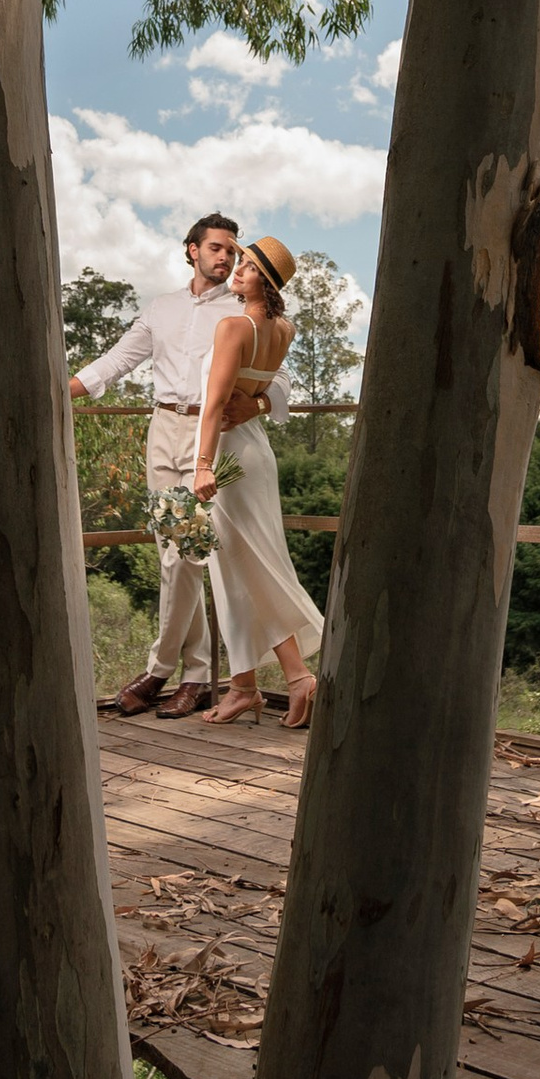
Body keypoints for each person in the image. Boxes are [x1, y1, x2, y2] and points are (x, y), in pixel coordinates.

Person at [69, 212, 288, 717]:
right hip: (162, 433)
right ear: (192, 249)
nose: (226, 257)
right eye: (216, 248)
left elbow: (280, 380)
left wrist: (254, 405)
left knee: (184, 555)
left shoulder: (243, 311)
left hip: (208, 438)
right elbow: (116, 361)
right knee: (174, 550)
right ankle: (196, 675)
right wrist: (61, 389)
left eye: (233, 251)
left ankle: (161, 671)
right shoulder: (162, 309)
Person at [191, 236, 323, 732]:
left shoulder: (233, 326)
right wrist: (261, 404)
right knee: (238, 568)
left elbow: (212, 405)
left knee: (250, 568)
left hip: (227, 454)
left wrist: (202, 466)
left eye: (247, 265)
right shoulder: (282, 328)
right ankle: (244, 686)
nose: (237, 270)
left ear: (263, 280)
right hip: (256, 451)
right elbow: (269, 387)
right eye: (240, 262)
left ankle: (296, 677)